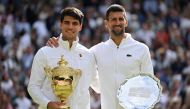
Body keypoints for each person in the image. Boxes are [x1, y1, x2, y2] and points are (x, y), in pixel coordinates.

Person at [47, 4, 154, 109]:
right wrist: (59, 42)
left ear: (126, 22)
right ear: (106, 23)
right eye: (113, 19)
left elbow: (149, 84)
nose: (118, 22)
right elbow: (74, 53)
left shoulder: (141, 49)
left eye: (121, 19)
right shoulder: (96, 51)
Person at [28, 7, 99, 109]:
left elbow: (99, 86)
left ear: (80, 26)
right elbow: (33, 87)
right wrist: (48, 104)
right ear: (60, 24)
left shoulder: (88, 55)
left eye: (75, 23)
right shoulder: (45, 52)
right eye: (67, 22)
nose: (70, 27)